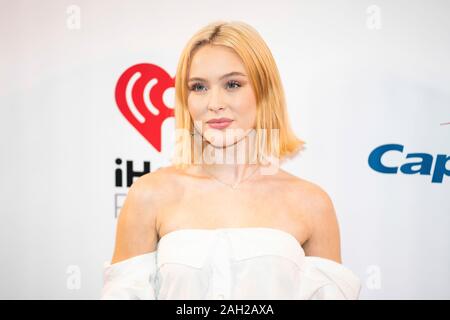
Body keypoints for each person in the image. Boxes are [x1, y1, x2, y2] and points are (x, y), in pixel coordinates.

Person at [101, 20, 361, 300]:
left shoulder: (311, 203)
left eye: (232, 84)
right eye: (199, 87)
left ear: (264, 91)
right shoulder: (149, 195)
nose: (215, 103)